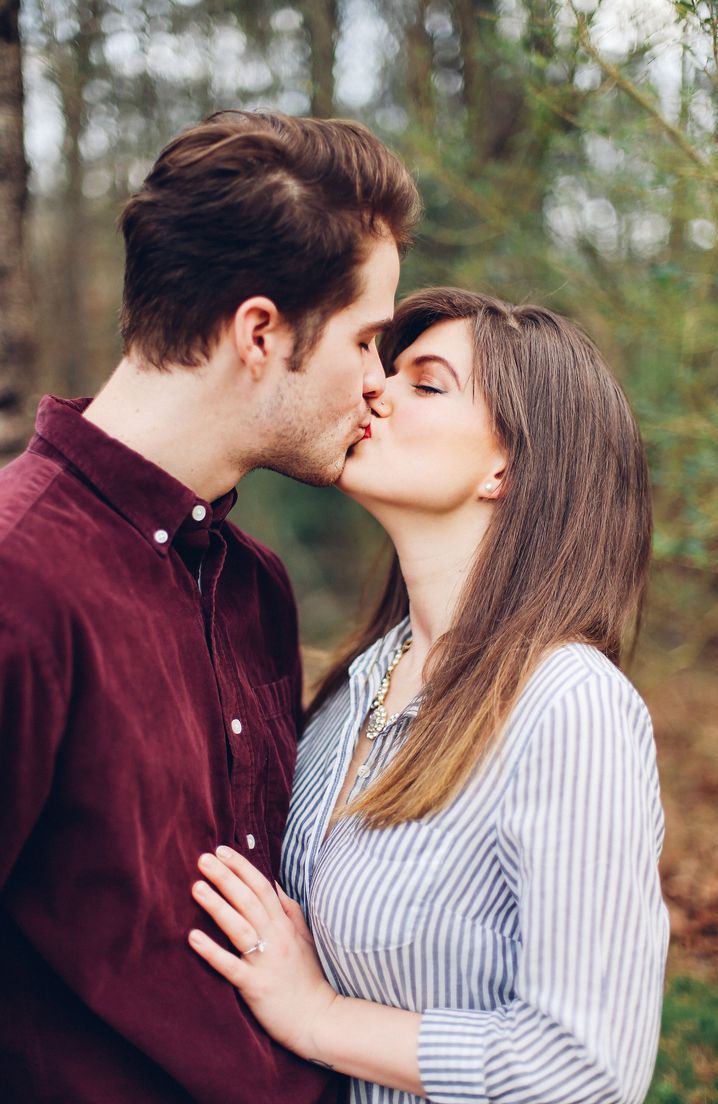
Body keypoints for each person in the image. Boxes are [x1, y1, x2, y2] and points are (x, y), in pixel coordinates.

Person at [0, 110, 420, 1103]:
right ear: (260, 333)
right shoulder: (19, 580)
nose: (377, 385)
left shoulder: (251, 584)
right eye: (365, 340)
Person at [188, 287, 670, 1104]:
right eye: (386, 365)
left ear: (506, 468)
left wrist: (317, 1017)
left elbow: (585, 1067)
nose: (375, 387)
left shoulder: (567, 704)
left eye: (426, 381)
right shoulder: (356, 686)